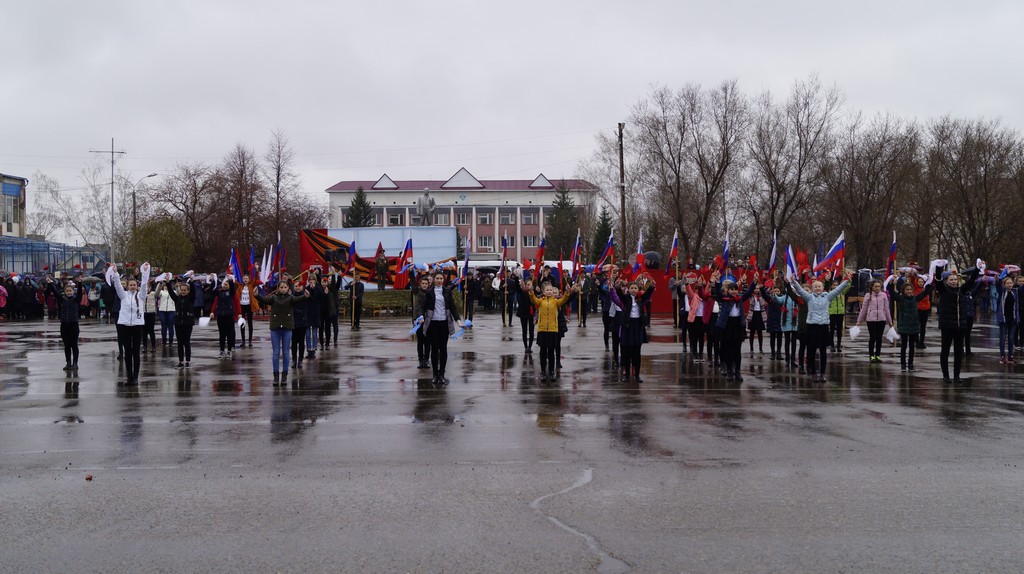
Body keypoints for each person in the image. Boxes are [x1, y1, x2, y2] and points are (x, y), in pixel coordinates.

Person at [787, 270, 852, 383]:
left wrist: (846, 281)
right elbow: (800, 291)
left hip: (823, 327)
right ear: (812, 289)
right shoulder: (809, 297)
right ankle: (813, 373)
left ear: (823, 288)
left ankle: (822, 373)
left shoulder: (828, 297)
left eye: (819, 286)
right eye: (815, 286)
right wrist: (793, 282)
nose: (817, 288)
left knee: (823, 352)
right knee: (811, 352)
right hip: (812, 327)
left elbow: (838, 290)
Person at [933, 261, 980, 384]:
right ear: (947, 281)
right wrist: (939, 267)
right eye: (951, 280)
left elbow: (971, 282)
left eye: (955, 280)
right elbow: (938, 281)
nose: (954, 281)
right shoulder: (943, 290)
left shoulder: (962, 291)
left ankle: (957, 375)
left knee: (958, 352)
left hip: (960, 326)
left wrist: (977, 269)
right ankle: (946, 375)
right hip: (947, 325)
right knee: (945, 350)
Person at [522, 277, 577, 381]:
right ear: (543, 291)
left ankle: (552, 372)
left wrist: (567, 293)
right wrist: (531, 292)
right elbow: (533, 300)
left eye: (551, 290)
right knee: (543, 352)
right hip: (542, 330)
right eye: (547, 290)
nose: (549, 292)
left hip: (553, 330)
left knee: (551, 352)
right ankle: (543, 371)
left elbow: (564, 300)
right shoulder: (540, 301)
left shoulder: (556, 302)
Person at [255, 279, 307, 385]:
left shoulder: (291, 298)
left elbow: (299, 299)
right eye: (281, 287)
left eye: (285, 287)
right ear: (278, 288)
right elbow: (265, 300)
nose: (283, 289)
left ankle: (284, 375)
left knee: (286, 352)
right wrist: (257, 295)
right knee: (276, 352)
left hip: (287, 328)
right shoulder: (274, 298)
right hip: (275, 327)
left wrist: (305, 296)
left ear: (288, 288)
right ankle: (275, 375)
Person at [109, 262, 151, 385]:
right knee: (128, 352)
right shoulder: (123, 296)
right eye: (130, 285)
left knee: (135, 352)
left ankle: (135, 377)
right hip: (125, 326)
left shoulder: (141, 296)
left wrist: (144, 272)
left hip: (137, 326)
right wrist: (115, 273)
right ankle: (129, 377)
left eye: (134, 285)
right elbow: (117, 286)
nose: (133, 286)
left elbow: (144, 285)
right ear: (127, 286)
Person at [609, 274, 656, 382]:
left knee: (637, 352)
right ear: (628, 290)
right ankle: (626, 375)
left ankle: (637, 375)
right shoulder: (625, 299)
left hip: (637, 326)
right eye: (631, 288)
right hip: (627, 326)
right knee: (626, 352)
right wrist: (617, 287)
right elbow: (619, 295)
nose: (633, 290)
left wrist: (652, 286)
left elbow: (648, 294)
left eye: (635, 288)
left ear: (638, 289)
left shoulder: (641, 299)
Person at [712, 271, 759, 381]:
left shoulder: (740, 298)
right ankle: (729, 371)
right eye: (731, 289)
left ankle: (737, 371)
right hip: (727, 326)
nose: (734, 291)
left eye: (735, 289)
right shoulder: (725, 299)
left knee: (737, 350)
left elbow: (749, 291)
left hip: (738, 325)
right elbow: (718, 293)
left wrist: (754, 281)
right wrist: (718, 280)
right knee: (728, 350)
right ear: (727, 291)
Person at [419, 271, 462, 385]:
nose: (439, 280)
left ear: (443, 280)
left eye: (441, 278)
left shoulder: (447, 291)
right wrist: (421, 316)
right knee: (434, 349)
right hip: (433, 323)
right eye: (437, 278)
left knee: (443, 349)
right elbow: (423, 306)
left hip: (444, 323)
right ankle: (435, 374)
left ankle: (442, 374)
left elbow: (452, 306)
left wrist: (458, 320)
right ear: (433, 279)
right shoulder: (429, 292)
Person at [893, 276, 933, 372]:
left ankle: (910, 363)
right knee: (904, 346)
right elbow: (891, 293)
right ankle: (903, 364)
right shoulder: (900, 299)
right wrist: (891, 283)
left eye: (911, 289)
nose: (909, 291)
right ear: (903, 290)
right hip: (904, 325)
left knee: (912, 346)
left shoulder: (915, 299)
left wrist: (929, 282)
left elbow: (925, 292)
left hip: (914, 325)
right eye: (907, 289)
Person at [49, 276, 83, 371]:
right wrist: (50, 283)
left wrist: (80, 283)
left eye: (70, 291)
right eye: (67, 291)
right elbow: (55, 293)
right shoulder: (62, 299)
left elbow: (80, 293)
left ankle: (75, 363)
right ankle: (68, 362)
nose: (69, 292)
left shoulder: (76, 299)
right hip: (64, 324)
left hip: (73, 324)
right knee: (67, 345)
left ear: (73, 291)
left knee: (74, 345)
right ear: (64, 292)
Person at [855, 280, 893, 362]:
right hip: (871, 320)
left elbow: (887, 309)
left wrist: (890, 322)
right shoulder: (868, 296)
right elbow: (864, 309)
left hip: (881, 319)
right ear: (872, 287)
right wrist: (859, 320)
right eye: (875, 286)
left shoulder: (883, 295)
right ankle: (871, 355)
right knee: (872, 337)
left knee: (879, 338)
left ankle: (878, 355)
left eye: (878, 286)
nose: (877, 288)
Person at [167, 278, 197, 368]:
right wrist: (168, 283)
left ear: (188, 291)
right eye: (182, 290)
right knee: (180, 343)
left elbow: (194, 293)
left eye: (185, 290)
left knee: (186, 342)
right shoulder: (177, 299)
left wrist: (191, 282)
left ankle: (188, 361)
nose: (183, 291)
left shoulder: (191, 299)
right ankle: (180, 361)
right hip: (178, 323)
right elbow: (171, 293)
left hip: (188, 323)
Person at [209, 277, 241, 359]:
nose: (225, 286)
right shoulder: (219, 293)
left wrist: (230, 281)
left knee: (229, 334)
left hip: (229, 315)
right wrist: (214, 281)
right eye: (224, 284)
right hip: (220, 316)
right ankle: (222, 351)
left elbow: (233, 291)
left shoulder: (231, 293)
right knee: (222, 334)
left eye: (227, 284)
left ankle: (229, 350)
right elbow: (213, 292)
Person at [995, 274, 1020, 364]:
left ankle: (1010, 357)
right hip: (1003, 319)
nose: (1009, 284)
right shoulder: (1002, 292)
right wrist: (998, 279)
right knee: (1002, 338)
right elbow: (997, 285)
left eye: (1011, 283)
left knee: (1011, 338)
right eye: (1007, 283)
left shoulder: (1015, 292)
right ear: (1004, 284)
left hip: (1013, 319)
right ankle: (1002, 356)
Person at [411, 275, 432, 369]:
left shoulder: (430, 292)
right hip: (418, 318)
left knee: (428, 341)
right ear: (420, 284)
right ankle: (420, 360)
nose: (424, 285)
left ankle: (427, 359)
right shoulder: (417, 291)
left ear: (428, 284)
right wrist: (411, 272)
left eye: (426, 284)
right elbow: (412, 282)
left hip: (428, 318)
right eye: (422, 283)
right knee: (420, 341)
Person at [516, 270, 536, 353]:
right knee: (524, 330)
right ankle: (525, 347)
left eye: (530, 285)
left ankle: (530, 346)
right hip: (523, 313)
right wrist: (517, 277)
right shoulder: (522, 292)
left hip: (531, 314)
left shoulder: (534, 293)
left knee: (531, 331)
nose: (528, 286)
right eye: (527, 285)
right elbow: (517, 287)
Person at [238, 275, 260, 348]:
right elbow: (233, 282)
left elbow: (256, 279)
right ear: (242, 280)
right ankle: (243, 341)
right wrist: (230, 272)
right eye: (244, 278)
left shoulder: (251, 285)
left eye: (246, 278)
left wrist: (256, 271)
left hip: (249, 306)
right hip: (242, 306)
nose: (245, 280)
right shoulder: (240, 286)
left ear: (249, 279)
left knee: (250, 323)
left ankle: (250, 341)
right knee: (242, 323)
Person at [156, 280, 176, 347]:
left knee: (171, 326)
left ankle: (171, 341)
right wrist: (160, 284)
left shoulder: (174, 292)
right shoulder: (161, 292)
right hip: (162, 310)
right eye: (165, 285)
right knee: (163, 326)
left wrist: (177, 286)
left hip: (171, 310)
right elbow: (156, 293)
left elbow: (178, 293)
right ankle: (164, 341)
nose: (166, 286)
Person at [142, 279, 158, 353]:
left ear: (150, 288)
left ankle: (153, 346)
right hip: (144, 313)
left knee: (151, 331)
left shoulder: (153, 293)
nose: (147, 289)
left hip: (151, 313)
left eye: (148, 287)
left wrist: (160, 283)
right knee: (144, 332)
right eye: (145, 288)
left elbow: (158, 291)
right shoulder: (142, 294)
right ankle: (144, 346)